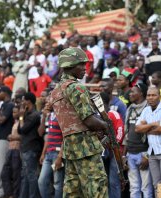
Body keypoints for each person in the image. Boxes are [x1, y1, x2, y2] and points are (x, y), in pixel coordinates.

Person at [49, 47, 108, 197]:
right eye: (80, 65)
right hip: (86, 145)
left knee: (73, 191)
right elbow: (89, 120)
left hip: (70, 147)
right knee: (97, 188)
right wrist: (106, 126)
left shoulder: (56, 90)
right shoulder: (76, 87)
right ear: (69, 66)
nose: (84, 68)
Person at [135, 87, 161, 194]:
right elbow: (137, 128)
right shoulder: (146, 110)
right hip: (152, 152)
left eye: (154, 95)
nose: (150, 98)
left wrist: (146, 129)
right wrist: (153, 124)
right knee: (156, 185)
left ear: (160, 96)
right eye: (148, 95)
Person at [123, 84, 153, 197]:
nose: (130, 94)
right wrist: (124, 155)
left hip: (143, 152)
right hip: (131, 153)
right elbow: (127, 134)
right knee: (134, 187)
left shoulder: (148, 109)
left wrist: (147, 156)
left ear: (141, 93)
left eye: (133, 92)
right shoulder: (130, 109)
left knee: (146, 188)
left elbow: (152, 135)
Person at [0, 86, 15, 198]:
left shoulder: (10, 105)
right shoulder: (3, 105)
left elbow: (1, 120)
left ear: (5, 93)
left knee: (2, 166)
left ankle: (2, 191)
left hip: (4, 139)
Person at [18, 92, 43, 198]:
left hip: (31, 148)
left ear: (28, 101)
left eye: (23, 100)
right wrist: (21, 117)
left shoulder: (34, 115)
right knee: (25, 175)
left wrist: (20, 117)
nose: (22, 102)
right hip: (26, 148)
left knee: (31, 175)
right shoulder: (28, 114)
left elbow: (23, 129)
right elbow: (20, 129)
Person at [100, 92, 124, 198]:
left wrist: (115, 144)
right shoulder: (96, 116)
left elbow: (120, 130)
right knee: (103, 181)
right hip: (102, 152)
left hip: (114, 152)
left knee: (114, 182)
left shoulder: (112, 113)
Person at [38, 100, 64, 198]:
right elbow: (47, 135)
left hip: (57, 154)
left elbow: (65, 138)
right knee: (42, 181)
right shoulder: (50, 116)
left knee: (57, 183)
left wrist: (60, 157)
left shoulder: (62, 115)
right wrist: (43, 153)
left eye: (49, 101)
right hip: (49, 153)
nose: (46, 103)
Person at [1, 106, 22, 198]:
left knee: (16, 174)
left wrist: (13, 137)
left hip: (17, 150)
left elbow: (24, 135)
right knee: (5, 173)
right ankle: (9, 194)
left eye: (15, 112)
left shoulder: (21, 122)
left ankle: (15, 195)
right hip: (11, 149)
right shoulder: (15, 122)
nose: (14, 114)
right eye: (13, 112)